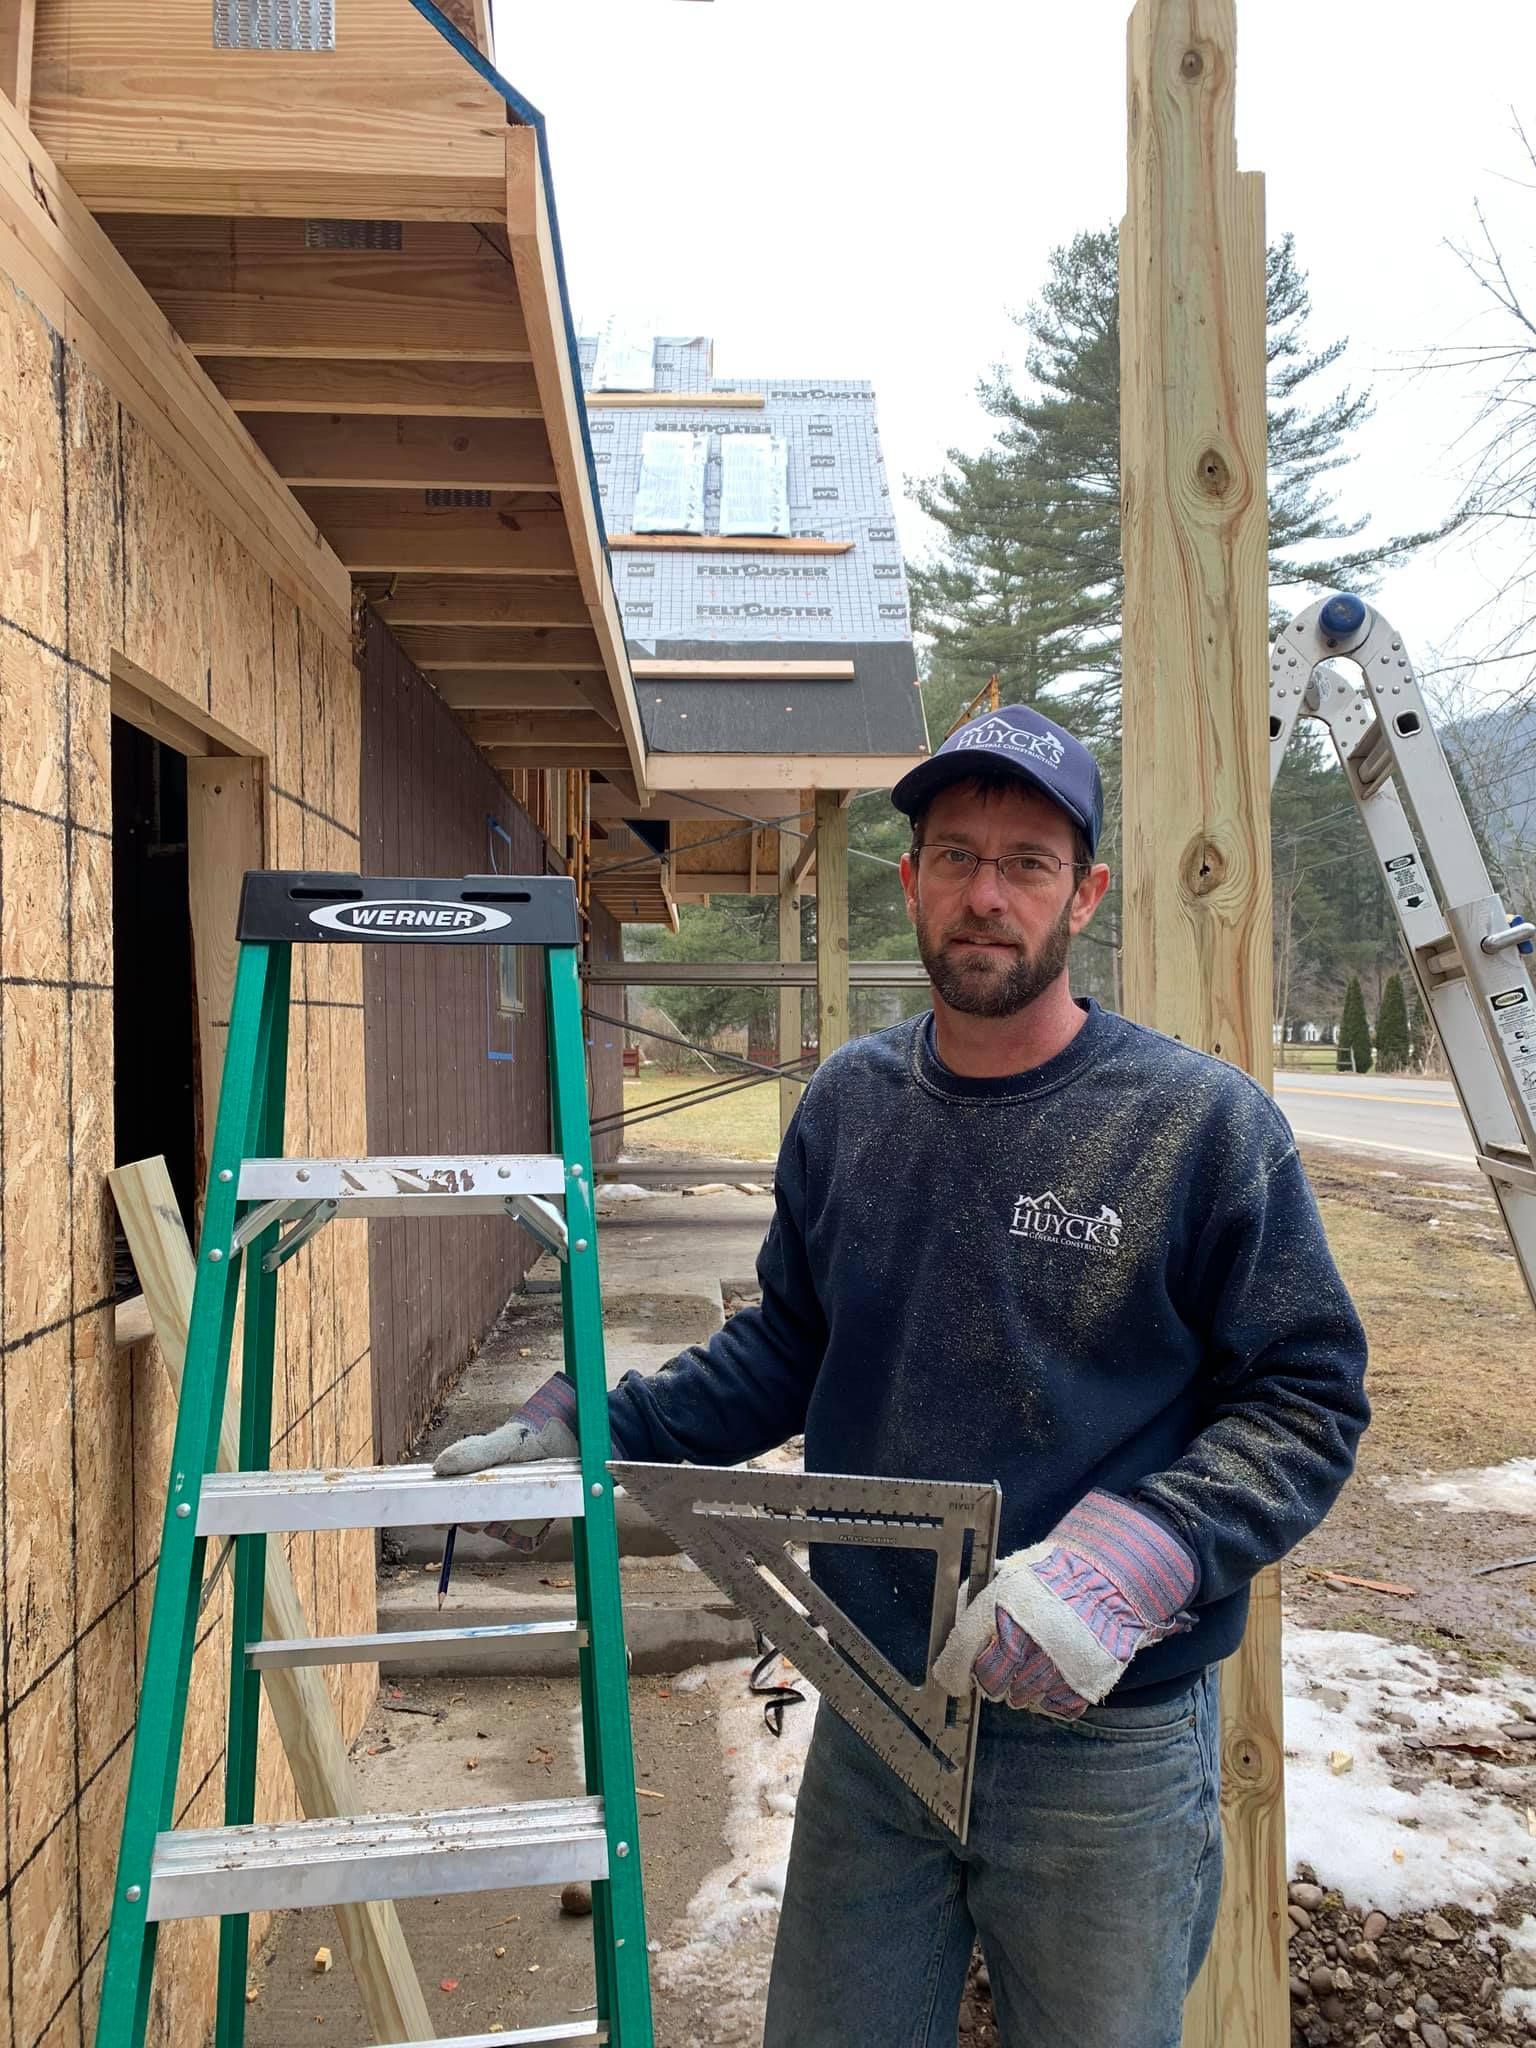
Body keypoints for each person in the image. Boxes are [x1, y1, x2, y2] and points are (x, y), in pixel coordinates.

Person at [434, 702, 1370, 2048]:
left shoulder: (1197, 1128)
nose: (986, 893)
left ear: (1084, 893)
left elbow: (1306, 1396)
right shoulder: (852, 1109)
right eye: (955, 854)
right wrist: (593, 1414)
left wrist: (1143, 1554)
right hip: (877, 1708)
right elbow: (790, 1346)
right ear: (911, 880)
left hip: (1106, 1740)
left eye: (1028, 862)